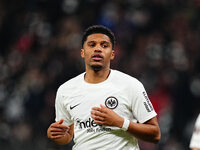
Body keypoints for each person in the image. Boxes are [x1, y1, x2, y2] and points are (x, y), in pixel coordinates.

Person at [47, 25, 161, 150]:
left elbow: (155, 134)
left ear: (112, 54)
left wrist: (119, 122)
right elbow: (68, 135)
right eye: (92, 45)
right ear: (82, 52)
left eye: (104, 45)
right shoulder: (65, 90)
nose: (98, 49)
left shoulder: (131, 85)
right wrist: (55, 135)